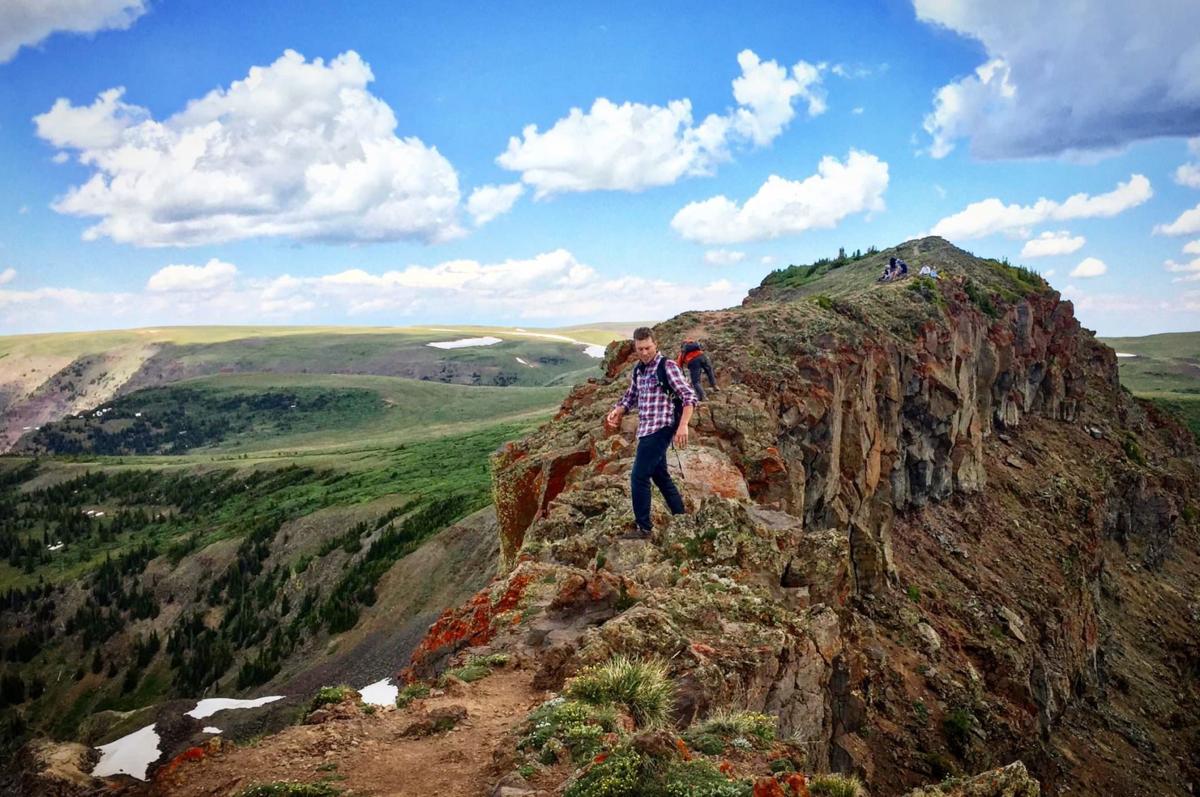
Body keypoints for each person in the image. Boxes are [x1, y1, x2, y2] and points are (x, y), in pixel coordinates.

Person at [605, 327, 699, 539]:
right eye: (640, 349)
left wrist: (683, 425)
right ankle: (681, 518)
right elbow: (631, 397)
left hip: (661, 428)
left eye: (648, 348)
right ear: (635, 348)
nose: (645, 352)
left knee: (638, 477)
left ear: (655, 344)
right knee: (661, 476)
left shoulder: (668, 366)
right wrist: (618, 411)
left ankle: (644, 529)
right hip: (646, 430)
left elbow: (689, 397)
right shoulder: (639, 370)